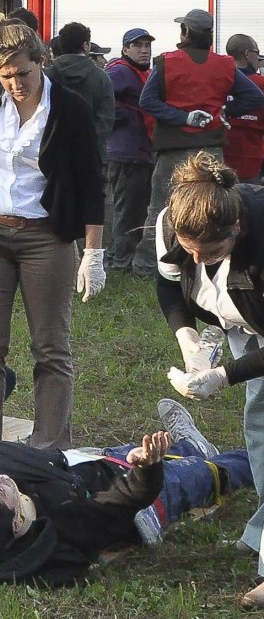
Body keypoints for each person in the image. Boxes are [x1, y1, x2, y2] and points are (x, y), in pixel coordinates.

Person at [0, 19, 105, 450]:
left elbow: (92, 182)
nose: (16, 83)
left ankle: (49, 450)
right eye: (6, 75)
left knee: (51, 349)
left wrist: (94, 253)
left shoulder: (69, 109)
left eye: (24, 73)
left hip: (45, 238)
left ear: (41, 61)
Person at [0, 410, 252, 586]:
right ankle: (234, 459)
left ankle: (190, 445)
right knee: (218, 471)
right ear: (18, 521)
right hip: (144, 495)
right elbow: (126, 499)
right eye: (0, 488)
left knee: (148, 451)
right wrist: (146, 470)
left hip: (90, 462)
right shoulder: (67, 526)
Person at [152, 152, 264, 608]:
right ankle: (261, 527)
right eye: (189, 248)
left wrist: (225, 375)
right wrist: (187, 337)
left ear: (235, 230)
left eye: (211, 253)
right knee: (258, 423)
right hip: (248, 323)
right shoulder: (171, 221)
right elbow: (167, 282)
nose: (197, 258)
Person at [132, 8, 264, 277]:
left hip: (173, 149)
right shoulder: (224, 64)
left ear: (186, 33)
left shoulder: (166, 63)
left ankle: (147, 267)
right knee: (213, 209)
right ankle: (212, 262)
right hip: (211, 150)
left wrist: (183, 117)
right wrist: (225, 112)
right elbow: (254, 97)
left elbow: (147, 101)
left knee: (161, 208)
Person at [104, 28, 156, 271]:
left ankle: (122, 258)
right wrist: (120, 115)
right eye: (138, 45)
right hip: (126, 154)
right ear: (125, 50)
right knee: (128, 212)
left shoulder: (139, 73)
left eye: (147, 45)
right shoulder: (121, 71)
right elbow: (100, 97)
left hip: (137, 152)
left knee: (135, 211)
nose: (144, 50)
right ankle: (120, 262)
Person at [49, 21, 115, 162]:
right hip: (91, 156)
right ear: (86, 46)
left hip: (53, 155)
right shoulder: (101, 78)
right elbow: (106, 120)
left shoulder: (46, 76)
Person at [224, 34, 264, 183]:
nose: (258, 58)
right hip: (252, 161)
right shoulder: (261, 83)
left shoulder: (220, 82)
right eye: (257, 53)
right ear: (247, 54)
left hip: (221, 161)